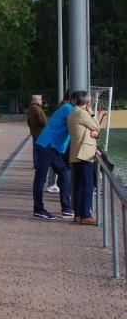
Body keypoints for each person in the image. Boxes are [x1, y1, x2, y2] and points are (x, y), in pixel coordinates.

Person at [32, 98, 74, 219]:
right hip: (48, 146)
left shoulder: (67, 108)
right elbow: (80, 125)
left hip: (51, 147)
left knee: (65, 175)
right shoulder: (68, 109)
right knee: (41, 179)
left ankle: (66, 208)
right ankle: (39, 209)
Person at [68, 91, 100, 225]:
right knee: (87, 185)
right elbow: (97, 126)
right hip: (84, 153)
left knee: (79, 185)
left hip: (77, 153)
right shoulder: (82, 113)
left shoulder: (74, 112)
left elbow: (93, 131)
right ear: (87, 102)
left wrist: (94, 133)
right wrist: (92, 112)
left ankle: (78, 214)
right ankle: (85, 215)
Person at [27, 95, 46, 169]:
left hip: (35, 131)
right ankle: (38, 164)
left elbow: (28, 121)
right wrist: (46, 125)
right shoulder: (37, 109)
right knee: (39, 149)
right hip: (39, 132)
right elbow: (42, 121)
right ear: (35, 100)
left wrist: (32, 128)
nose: (41, 100)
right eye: (40, 99)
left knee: (36, 148)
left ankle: (36, 163)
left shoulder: (32, 108)